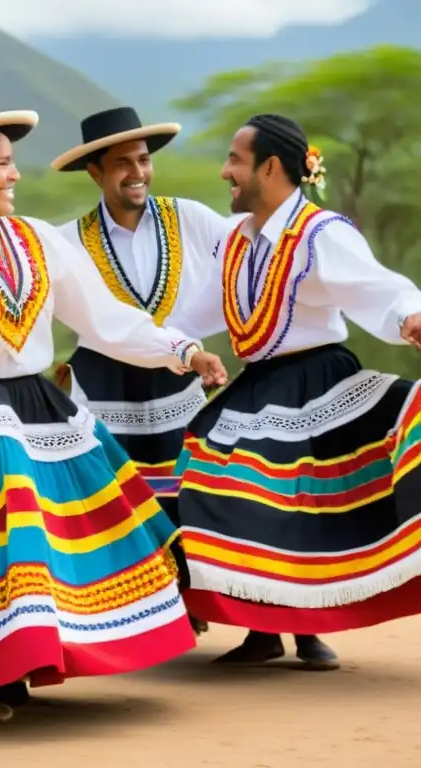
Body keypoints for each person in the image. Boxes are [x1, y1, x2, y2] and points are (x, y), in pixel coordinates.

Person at [0, 105, 228, 722]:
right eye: (4, 163)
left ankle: (38, 657)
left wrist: (183, 351)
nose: (15, 174)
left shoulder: (38, 239)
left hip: (34, 404)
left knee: (54, 536)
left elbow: (104, 318)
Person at [165, 114, 421, 670]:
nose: (224, 171)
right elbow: (199, 310)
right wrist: (159, 343)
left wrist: (410, 315)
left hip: (317, 382)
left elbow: (375, 286)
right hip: (259, 385)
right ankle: (263, 627)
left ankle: (309, 631)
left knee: (298, 503)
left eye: (235, 160)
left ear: (271, 168)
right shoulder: (238, 240)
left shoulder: (321, 233)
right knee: (215, 484)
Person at [49, 106, 236, 633]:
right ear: (95, 172)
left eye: (144, 159)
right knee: (114, 499)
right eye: (122, 163)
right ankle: (129, 614)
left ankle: (192, 602)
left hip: (177, 377)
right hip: (105, 385)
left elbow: (247, 259)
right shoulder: (65, 240)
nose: (137, 172)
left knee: (190, 491)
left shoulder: (192, 219)